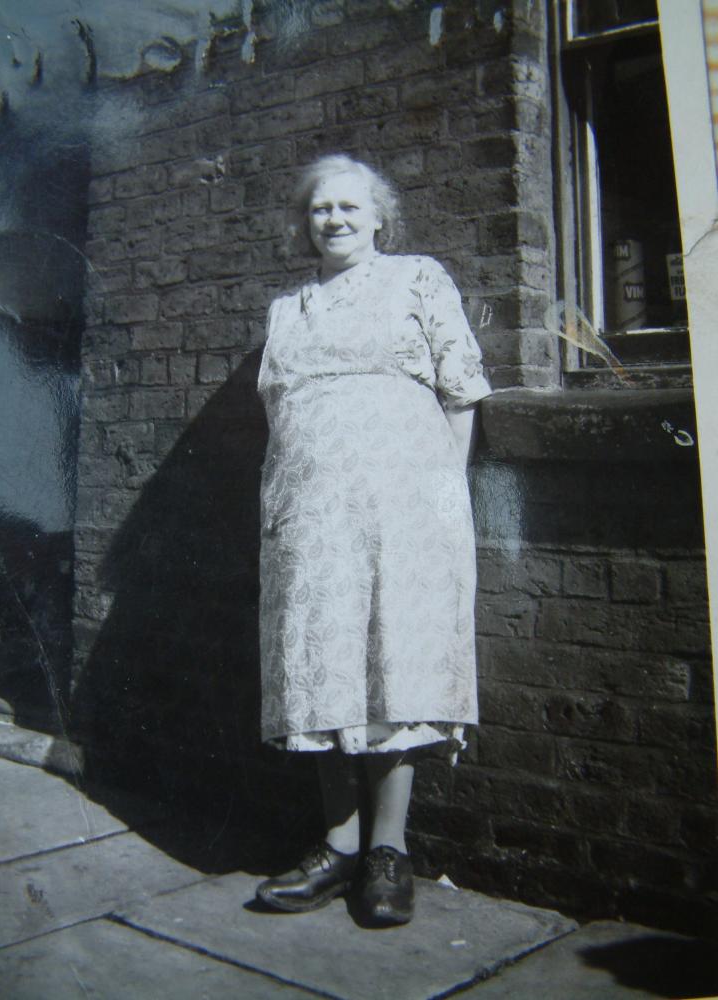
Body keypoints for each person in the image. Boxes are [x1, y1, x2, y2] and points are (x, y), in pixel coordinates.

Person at [255, 154, 492, 926]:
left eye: (349, 207)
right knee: (321, 669)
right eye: (320, 209)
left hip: (403, 511)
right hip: (311, 513)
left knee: (391, 664)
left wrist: (441, 493)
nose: (334, 220)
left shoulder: (418, 279)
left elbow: (460, 393)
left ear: (379, 217)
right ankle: (338, 847)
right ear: (305, 222)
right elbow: (278, 413)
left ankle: (388, 853)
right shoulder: (288, 309)